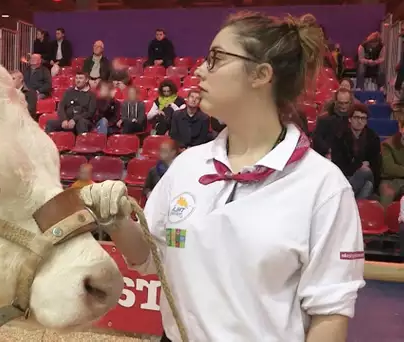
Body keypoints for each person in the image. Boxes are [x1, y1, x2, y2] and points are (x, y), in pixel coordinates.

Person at [80, 12, 364, 342]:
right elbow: (147, 258)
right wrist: (115, 220)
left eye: (216, 59)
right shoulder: (188, 166)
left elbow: (329, 319)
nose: (200, 70)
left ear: (261, 75)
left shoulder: (323, 187)